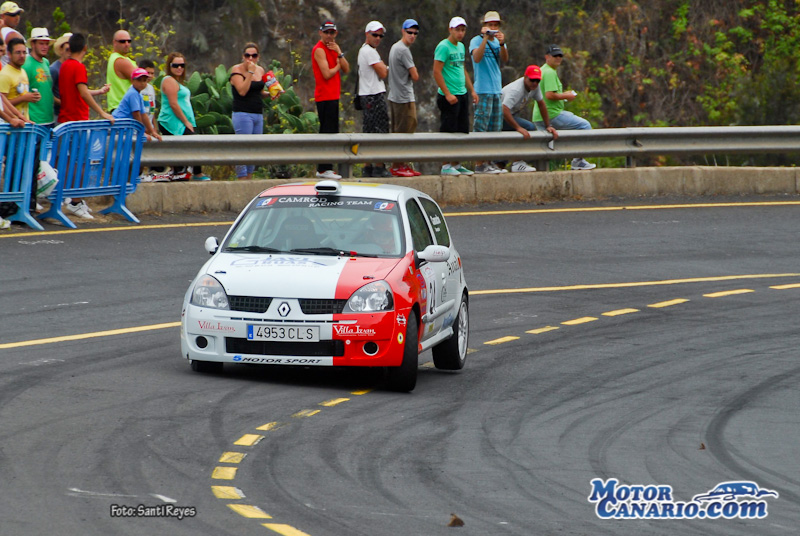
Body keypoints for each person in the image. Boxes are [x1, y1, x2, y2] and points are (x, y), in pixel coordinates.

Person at [58, 32, 114, 219]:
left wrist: (98, 91)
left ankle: (72, 198)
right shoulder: (78, 66)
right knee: (82, 162)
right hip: (78, 121)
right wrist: (102, 112)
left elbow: (79, 90)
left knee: (71, 161)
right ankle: (74, 200)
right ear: (85, 48)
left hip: (66, 119)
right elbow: (82, 92)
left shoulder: (65, 66)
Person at [534, 44, 596, 170]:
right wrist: (566, 96)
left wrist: (563, 95)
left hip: (538, 115)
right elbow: (550, 95)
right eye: (555, 56)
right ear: (547, 57)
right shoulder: (550, 72)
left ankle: (544, 171)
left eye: (560, 56)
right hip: (552, 114)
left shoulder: (542, 70)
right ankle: (578, 160)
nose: (558, 58)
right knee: (584, 126)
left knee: (546, 147)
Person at [433, 16, 477, 176]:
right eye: (457, 29)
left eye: (463, 30)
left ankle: (456, 163)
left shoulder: (461, 47)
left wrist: (471, 89)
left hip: (461, 93)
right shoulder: (443, 47)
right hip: (449, 95)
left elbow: (462, 68)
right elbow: (436, 71)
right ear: (450, 29)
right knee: (448, 130)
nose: (460, 33)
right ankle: (446, 165)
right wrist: (447, 93)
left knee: (461, 131)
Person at [156, 52, 209, 181]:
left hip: (181, 121)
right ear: (169, 66)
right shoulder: (168, 80)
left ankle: (191, 173)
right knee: (193, 143)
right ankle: (196, 173)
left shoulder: (177, 82)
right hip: (172, 121)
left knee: (189, 146)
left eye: (182, 65)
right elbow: (173, 104)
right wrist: (186, 121)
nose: (179, 68)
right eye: (175, 65)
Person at [469, 10, 508, 174]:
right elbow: (476, 58)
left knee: (495, 128)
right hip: (482, 90)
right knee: (481, 128)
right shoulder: (475, 41)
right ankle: (479, 163)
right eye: (490, 25)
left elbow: (505, 59)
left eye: (495, 25)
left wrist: (501, 43)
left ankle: (490, 161)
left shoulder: (499, 42)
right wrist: (485, 38)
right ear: (484, 26)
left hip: (496, 90)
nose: (493, 28)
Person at [501, 65, 559, 172]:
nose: (535, 83)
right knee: (529, 127)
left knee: (513, 137)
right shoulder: (516, 90)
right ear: (525, 77)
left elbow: (541, 104)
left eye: (537, 80)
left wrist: (548, 126)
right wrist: (518, 127)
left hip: (512, 114)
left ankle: (503, 164)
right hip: (500, 115)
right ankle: (517, 162)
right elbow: (504, 109)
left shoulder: (535, 88)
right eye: (532, 80)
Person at [312, 20, 349, 180]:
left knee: (333, 131)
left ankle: (328, 167)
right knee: (326, 131)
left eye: (331, 33)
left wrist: (339, 53)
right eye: (326, 32)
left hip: (334, 95)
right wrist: (337, 66)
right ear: (320, 33)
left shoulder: (334, 49)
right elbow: (327, 73)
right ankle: (323, 168)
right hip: (324, 96)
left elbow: (347, 69)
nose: (329, 36)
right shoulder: (319, 49)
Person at [387, 18, 421, 177]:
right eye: (410, 32)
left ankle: (403, 164)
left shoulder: (395, 47)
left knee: (400, 130)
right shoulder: (403, 50)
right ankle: (397, 165)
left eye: (415, 33)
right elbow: (415, 76)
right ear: (403, 31)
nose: (412, 36)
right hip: (404, 97)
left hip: (395, 95)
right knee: (405, 130)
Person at [230, 42, 267, 180]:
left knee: (254, 148)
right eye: (247, 55)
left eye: (254, 55)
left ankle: (249, 177)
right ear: (242, 56)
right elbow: (242, 91)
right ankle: (241, 177)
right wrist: (250, 72)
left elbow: (259, 91)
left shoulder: (260, 70)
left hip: (257, 113)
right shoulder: (237, 70)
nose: (250, 59)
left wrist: (271, 93)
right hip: (242, 113)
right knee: (243, 147)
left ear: (258, 56)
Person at [358, 21, 390, 178]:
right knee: (379, 131)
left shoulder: (365, 51)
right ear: (367, 34)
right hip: (374, 95)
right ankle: (379, 166)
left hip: (367, 94)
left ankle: (367, 167)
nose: (378, 38)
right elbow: (383, 73)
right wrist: (383, 67)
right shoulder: (370, 52)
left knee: (369, 131)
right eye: (374, 35)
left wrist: (383, 67)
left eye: (380, 35)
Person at [112, 68, 161, 141]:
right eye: (139, 80)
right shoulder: (133, 93)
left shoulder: (139, 95)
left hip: (124, 126)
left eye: (144, 80)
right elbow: (136, 114)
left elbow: (143, 115)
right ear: (132, 81)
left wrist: (152, 131)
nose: (142, 83)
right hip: (118, 125)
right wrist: (141, 132)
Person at [22, 28, 56, 127]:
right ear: (33, 44)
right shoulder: (26, 64)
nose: (45, 47)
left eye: (47, 44)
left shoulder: (46, 62)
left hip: (49, 117)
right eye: (41, 43)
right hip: (34, 120)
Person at [0, 38, 36, 121]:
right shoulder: (4, 75)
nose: (22, 56)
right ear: (9, 54)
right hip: (9, 127)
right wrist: (23, 98)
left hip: (22, 124)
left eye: (24, 52)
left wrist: (31, 97)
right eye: (18, 52)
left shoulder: (23, 71)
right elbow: (2, 103)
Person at [106, 29, 136, 112]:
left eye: (129, 41)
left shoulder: (119, 58)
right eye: (122, 41)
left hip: (120, 107)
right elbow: (141, 81)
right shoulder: (120, 61)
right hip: (123, 108)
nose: (126, 44)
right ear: (114, 42)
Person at [50, 32, 72, 121]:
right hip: (58, 114)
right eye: (67, 49)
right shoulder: (54, 69)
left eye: (73, 50)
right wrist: (62, 102)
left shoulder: (74, 67)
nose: (70, 52)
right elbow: (48, 92)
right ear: (61, 50)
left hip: (71, 114)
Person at [0, 1, 24, 66]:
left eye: (18, 14)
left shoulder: (1, 32)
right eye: (13, 14)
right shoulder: (12, 34)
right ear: (3, 16)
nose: (17, 17)